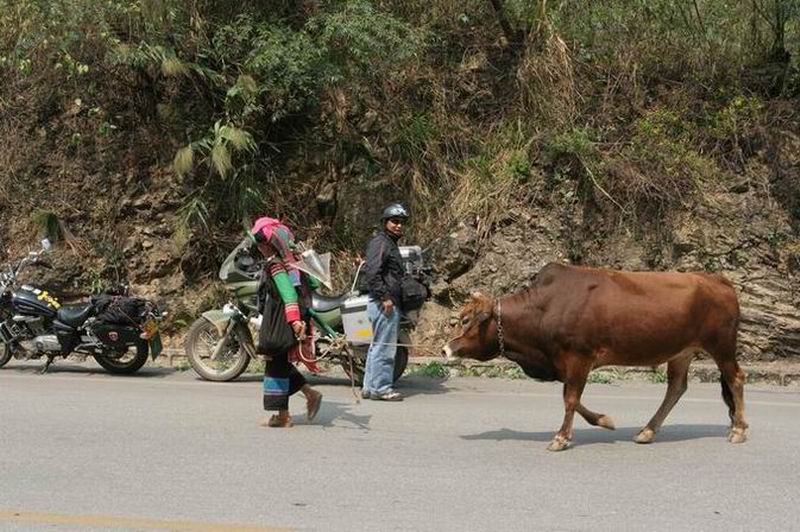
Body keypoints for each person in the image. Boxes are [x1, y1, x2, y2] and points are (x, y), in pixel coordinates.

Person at [251, 217, 323, 427]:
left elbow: (288, 294)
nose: (259, 249)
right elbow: (312, 282)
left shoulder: (276, 265)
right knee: (279, 362)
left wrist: (293, 321)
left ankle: (283, 416)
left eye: (260, 244)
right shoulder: (294, 262)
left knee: (274, 362)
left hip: (280, 320)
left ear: (267, 245)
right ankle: (309, 394)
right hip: (290, 317)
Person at [361, 203, 409, 401]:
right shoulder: (381, 243)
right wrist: (385, 297)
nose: (398, 226)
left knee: (377, 345)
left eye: (401, 222)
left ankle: (370, 388)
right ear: (385, 222)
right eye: (394, 221)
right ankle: (382, 389)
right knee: (386, 346)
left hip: (383, 301)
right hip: (384, 303)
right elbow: (373, 273)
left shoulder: (388, 243)